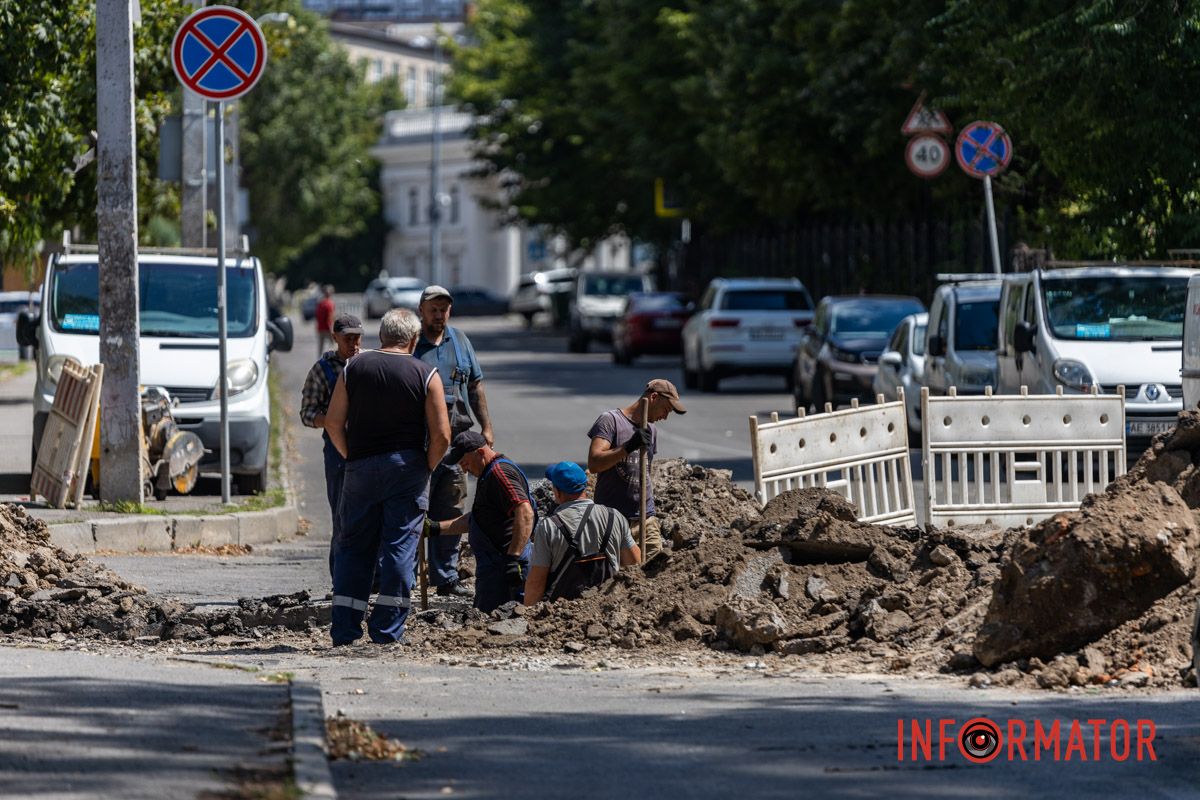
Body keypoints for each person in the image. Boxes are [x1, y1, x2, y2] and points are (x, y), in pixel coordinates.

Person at [323, 308, 450, 645]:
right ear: (413, 340)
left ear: (381, 336)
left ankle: (345, 630)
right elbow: (442, 435)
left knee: (353, 547)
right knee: (399, 548)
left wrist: (350, 455)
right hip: (407, 468)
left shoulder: (352, 368)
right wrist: (426, 466)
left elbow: (333, 423)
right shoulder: (426, 374)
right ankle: (387, 630)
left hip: (360, 468)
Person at [413, 285, 494, 598]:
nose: (439, 315)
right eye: (433, 309)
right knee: (413, 510)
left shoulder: (460, 341)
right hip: (419, 444)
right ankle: (407, 578)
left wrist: (486, 427)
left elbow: (475, 386)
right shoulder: (411, 343)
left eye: (444, 309)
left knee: (451, 508)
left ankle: (445, 577)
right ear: (421, 311)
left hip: (457, 446)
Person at [425, 431, 535, 613]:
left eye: (465, 463)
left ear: (480, 453)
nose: (464, 470)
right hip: (494, 568)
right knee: (484, 616)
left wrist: (512, 559)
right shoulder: (488, 474)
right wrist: (435, 528)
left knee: (501, 619)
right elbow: (477, 520)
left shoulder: (500, 474)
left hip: (505, 566)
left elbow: (525, 512)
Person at [586, 379, 687, 559]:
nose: (665, 417)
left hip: (645, 518)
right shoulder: (611, 421)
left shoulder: (651, 430)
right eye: (666, 409)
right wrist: (628, 446)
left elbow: (644, 471)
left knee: (655, 568)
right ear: (653, 397)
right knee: (616, 573)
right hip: (612, 519)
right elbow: (594, 463)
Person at [524, 461, 640, 605]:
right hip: (607, 607)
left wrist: (527, 613)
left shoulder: (549, 527)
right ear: (585, 487)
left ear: (557, 492)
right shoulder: (614, 516)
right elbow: (634, 562)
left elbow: (536, 582)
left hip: (564, 612)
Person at [299, 313, 363, 576]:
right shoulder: (322, 370)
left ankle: (372, 578)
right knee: (342, 516)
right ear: (335, 338)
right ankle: (341, 578)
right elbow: (306, 414)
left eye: (357, 338)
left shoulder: (368, 363)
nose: (354, 344)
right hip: (337, 454)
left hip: (368, 450)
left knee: (370, 517)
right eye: (348, 339)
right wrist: (332, 420)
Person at [315, 285, 336, 358]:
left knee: (320, 346)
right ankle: (334, 359)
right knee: (334, 344)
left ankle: (319, 359)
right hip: (328, 327)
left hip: (320, 327)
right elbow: (330, 317)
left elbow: (317, 315)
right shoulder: (330, 303)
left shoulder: (320, 303)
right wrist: (332, 328)